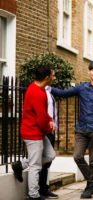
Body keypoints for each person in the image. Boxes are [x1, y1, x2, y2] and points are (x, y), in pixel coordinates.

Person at [51, 61, 93, 199]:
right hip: (81, 129)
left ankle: (89, 188)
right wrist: (48, 88)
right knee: (77, 156)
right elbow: (64, 93)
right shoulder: (82, 87)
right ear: (89, 72)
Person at [12, 66, 56, 200]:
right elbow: (41, 118)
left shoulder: (39, 89)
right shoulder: (36, 92)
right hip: (32, 133)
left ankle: (21, 164)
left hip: (38, 132)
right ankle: (33, 195)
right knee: (35, 166)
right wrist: (49, 128)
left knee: (50, 155)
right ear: (47, 78)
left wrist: (50, 120)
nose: (54, 78)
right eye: (53, 75)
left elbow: (43, 113)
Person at [38, 82, 59, 199]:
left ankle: (44, 188)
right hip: (45, 130)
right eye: (53, 75)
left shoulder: (48, 91)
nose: (54, 77)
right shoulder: (40, 92)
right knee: (43, 159)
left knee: (47, 161)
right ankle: (39, 189)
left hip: (50, 130)